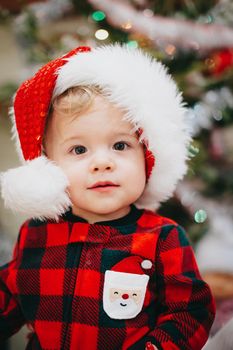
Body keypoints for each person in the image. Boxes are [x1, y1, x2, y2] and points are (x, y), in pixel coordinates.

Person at [0, 44, 215, 349]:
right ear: (48, 167)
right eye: (78, 150)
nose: (102, 163)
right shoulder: (36, 233)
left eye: (120, 145)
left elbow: (190, 313)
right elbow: (9, 299)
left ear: (147, 156)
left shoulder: (162, 239)